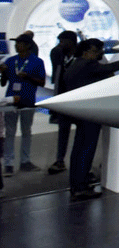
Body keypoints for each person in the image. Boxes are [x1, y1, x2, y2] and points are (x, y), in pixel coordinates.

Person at [63, 38, 119, 200]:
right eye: (96, 51)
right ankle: (81, 187)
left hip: (79, 114)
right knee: (86, 150)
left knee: (78, 150)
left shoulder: (74, 65)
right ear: (86, 52)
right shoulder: (88, 65)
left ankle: (77, 185)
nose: (99, 54)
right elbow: (110, 68)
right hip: (90, 114)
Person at [0, 34, 47, 176]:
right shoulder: (10, 60)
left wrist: (28, 77)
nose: (16, 46)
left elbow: (42, 82)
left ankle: (25, 161)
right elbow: (3, 83)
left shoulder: (37, 61)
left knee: (26, 131)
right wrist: (3, 72)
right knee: (9, 132)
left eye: (19, 43)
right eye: (16, 43)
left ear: (28, 45)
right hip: (11, 100)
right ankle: (8, 164)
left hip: (28, 100)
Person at [47, 30, 79, 174]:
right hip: (63, 101)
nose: (60, 44)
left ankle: (80, 163)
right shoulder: (60, 57)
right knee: (63, 132)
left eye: (62, 41)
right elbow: (58, 79)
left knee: (82, 134)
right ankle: (60, 160)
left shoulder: (81, 57)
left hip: (78, 101)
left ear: (71, 42)